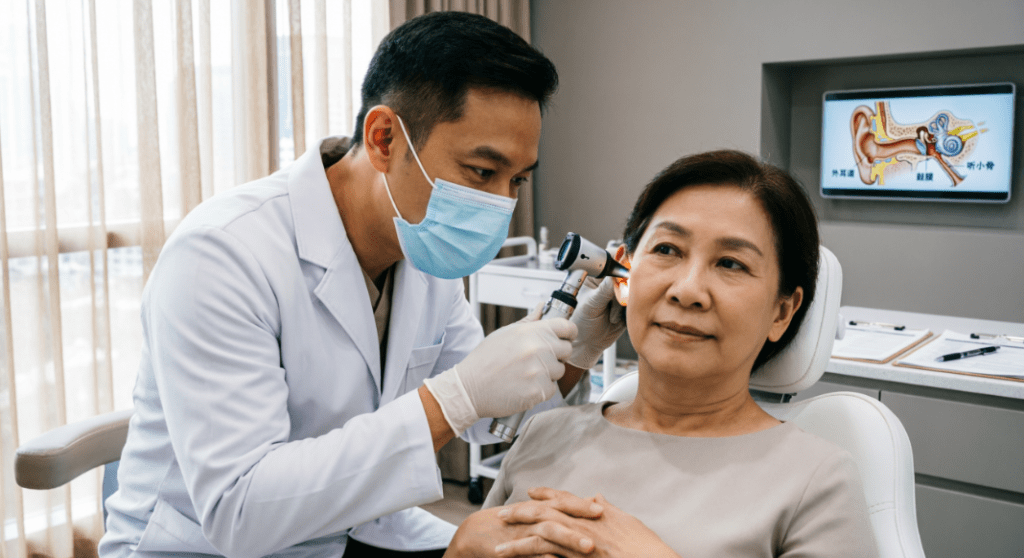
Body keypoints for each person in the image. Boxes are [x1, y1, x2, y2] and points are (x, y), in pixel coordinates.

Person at [99, 12, 624, 558]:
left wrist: (576, 353)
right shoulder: (223, 254)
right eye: (480, 171)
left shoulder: (421, 250)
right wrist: (451, 397)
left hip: (351, 530)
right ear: (384, 139)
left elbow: (493, 420)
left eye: (515, 179)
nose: (499, 204)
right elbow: (240, 511)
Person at [446, 150, 878, 558]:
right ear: (622, 276)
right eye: (667, 250)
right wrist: (461, 544)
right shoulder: (545, 433)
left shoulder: (818, 480)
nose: (687, 290)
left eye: (730, 263)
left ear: (782, 312)